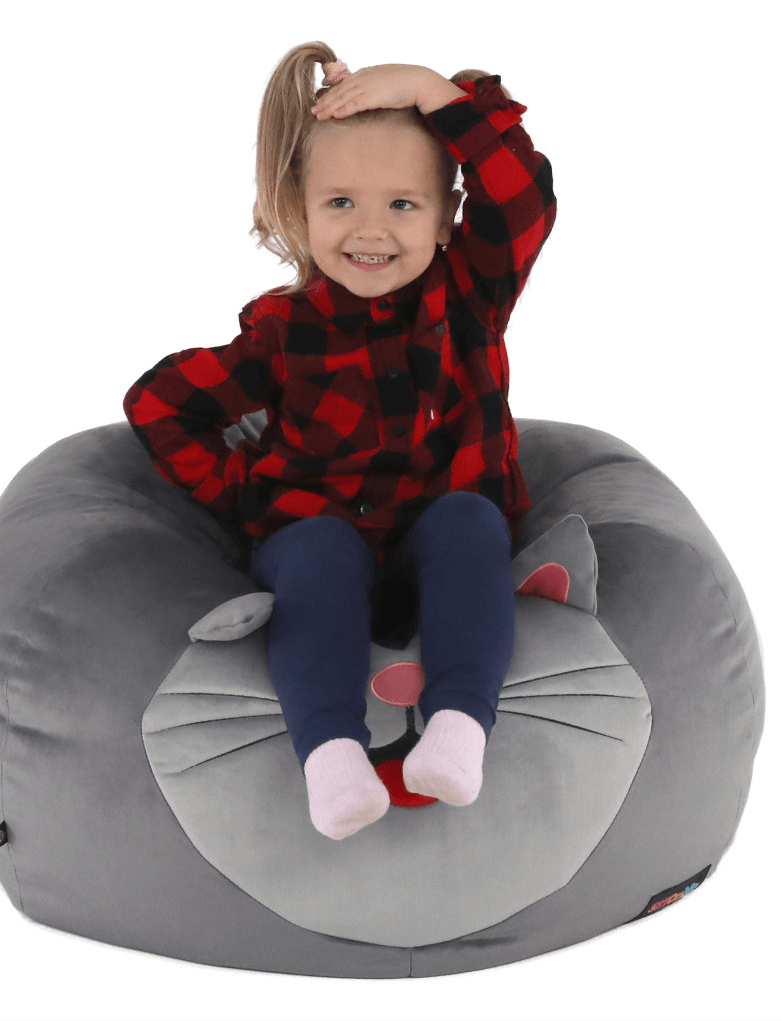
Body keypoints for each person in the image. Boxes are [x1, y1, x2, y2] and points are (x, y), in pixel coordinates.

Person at [124, 42, 555, 840]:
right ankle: (331, 758)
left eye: (404, 205)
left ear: (447, 215)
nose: (371, 230)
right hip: (322, 543)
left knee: (470, 521)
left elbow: (523, 198)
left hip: (440, 544)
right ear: (301, 208)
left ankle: (459, 727)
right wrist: (240, 498)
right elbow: (161, 403)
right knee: (315, 551)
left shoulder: (470, 293)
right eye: (341, 202)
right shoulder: (285, 330)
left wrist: (435, 91)